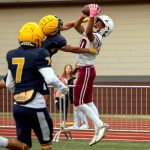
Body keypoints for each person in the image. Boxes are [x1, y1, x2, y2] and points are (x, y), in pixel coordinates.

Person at [0, 22, 68, 150]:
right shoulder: (40, 53)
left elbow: (9, 83)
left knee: (24, 146)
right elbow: (50, 78)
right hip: (36, 107)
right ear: (37, 37)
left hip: (18, 107)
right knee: (46, 145)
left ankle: (2, 142)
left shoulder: (11, 54)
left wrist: (20, 90)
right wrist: (62, 87)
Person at [73, 4, 114, 146]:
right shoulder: (93, 32)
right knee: (88, 101)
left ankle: (100, 124)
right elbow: (77, 26)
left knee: (77, 102)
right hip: (86, 70)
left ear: (105, 28)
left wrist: (91, 16)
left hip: (86, 70)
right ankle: (98, 127)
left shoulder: (97, 37)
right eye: (97, 20)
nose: (96, 22)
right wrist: (84, 16)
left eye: (100, 22)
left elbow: (89, 32)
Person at [68, 63, 89, 129]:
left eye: (79, 65)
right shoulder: (75, 74)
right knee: (76, 110)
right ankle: (76, 125)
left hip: (81, 94)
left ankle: (85, 124)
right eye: (77, 66)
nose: (78, 67)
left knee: (81, 109)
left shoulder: (85, 73)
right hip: (75, 94)